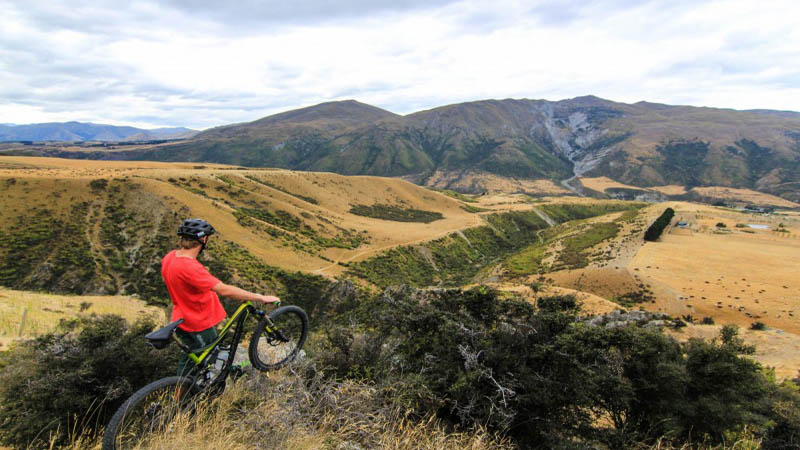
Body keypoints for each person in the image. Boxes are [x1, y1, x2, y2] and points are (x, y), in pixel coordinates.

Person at [161, 218, 279, 376]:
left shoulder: (170, 257)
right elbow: (224, 290)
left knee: (188, 362)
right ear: (203, 239)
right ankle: (212, 385)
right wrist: (260, 297)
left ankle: (178, 396)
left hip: (180, 317)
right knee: (209, 358)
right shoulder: (190, 267)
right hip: (197, 323)